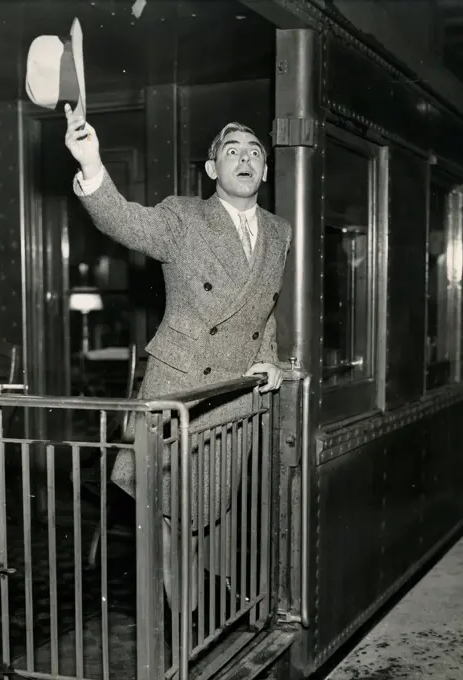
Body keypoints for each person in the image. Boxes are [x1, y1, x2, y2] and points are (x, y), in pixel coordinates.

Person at [64, 104, 291, 625]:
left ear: (264, 170)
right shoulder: (185, 217)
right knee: (172, 518)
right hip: (179, 388)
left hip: (232, 394)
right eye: (231, 152)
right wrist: (92, 166)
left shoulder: (279, 232)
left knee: (200, 517)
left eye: (255, 153)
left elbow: (264, 308)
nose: (245, 159)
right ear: (212, 169)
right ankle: (182, 629)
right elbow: (125, 221)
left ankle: (192, 616)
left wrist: (269, 361)